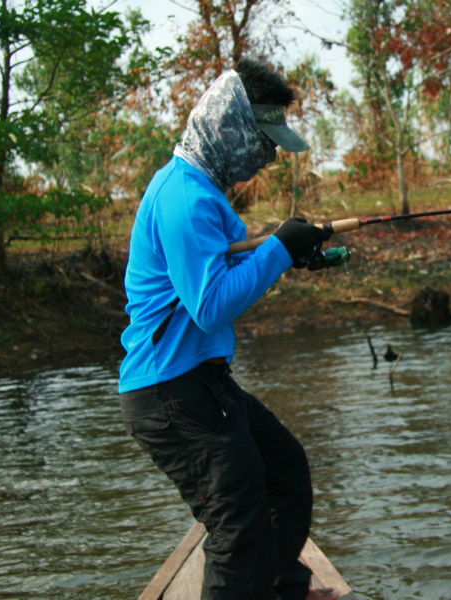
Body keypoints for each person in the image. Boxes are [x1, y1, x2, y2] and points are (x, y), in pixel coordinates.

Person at [117, 58, 339, 600]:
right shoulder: (185, 198)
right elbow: (209, 307)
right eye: (263, 140)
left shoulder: (202, 188)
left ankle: (280, 587)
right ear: (230, 127)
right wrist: (278, 251)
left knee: (284, 470)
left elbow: (218, 274)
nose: (268, 155)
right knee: (237, 520)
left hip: (203, 381)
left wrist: (288, 255)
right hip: (169, 391)